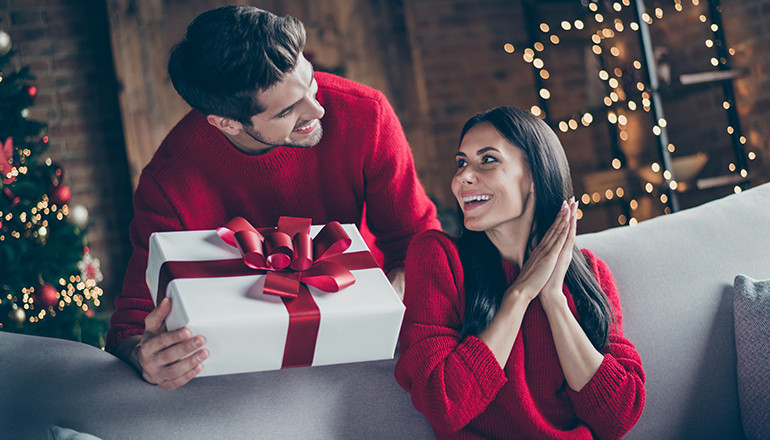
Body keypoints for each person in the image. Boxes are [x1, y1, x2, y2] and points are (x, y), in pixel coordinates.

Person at [106, 5, 440, 391]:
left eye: (310, 82)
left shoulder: (366, 114)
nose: (317, 109)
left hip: (371, 340)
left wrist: (380, 309)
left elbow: (418, 240)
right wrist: (144, 357)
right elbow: (130, 325)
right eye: (287, 110)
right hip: (247, 369)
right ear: (226, 122)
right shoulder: (169, 183)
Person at [395, 106, 645, 439]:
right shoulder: (438, 257)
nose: (462, 178)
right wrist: (520, 295)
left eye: (487, 160)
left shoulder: (590, 273)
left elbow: (617, 418)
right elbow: (444, 404)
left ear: (534, 175)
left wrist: (553, 300)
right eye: (461, 163)